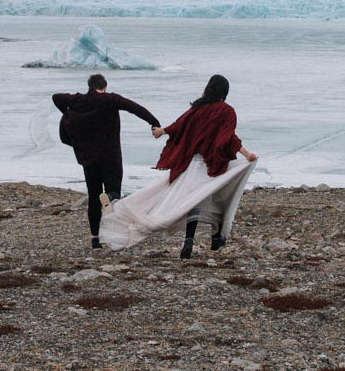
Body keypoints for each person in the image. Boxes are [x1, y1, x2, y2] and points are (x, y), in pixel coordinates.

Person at [100, 74, 259, 258]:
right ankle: (216, 240)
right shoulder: (227, 111)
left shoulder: (197, 109)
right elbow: (228, 137)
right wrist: (247, 155)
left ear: (208, 88)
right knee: (218, 197)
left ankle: (188, 239)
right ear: (225, 91)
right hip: (211, 166)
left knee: (187, 202)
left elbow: (179, 125)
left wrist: (162, 131)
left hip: (192, 165)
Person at [52, 74, 162, 248]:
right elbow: (135, 108)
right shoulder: (110, 99)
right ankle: (112, 217)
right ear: (104, 87)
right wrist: (154, 123)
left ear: (90, 86)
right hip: (110, 158)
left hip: (88, 159)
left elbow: (56, 97)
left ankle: (95, 239)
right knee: (114, 196)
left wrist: (68, 114)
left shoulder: (77, 100)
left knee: (93, 198)